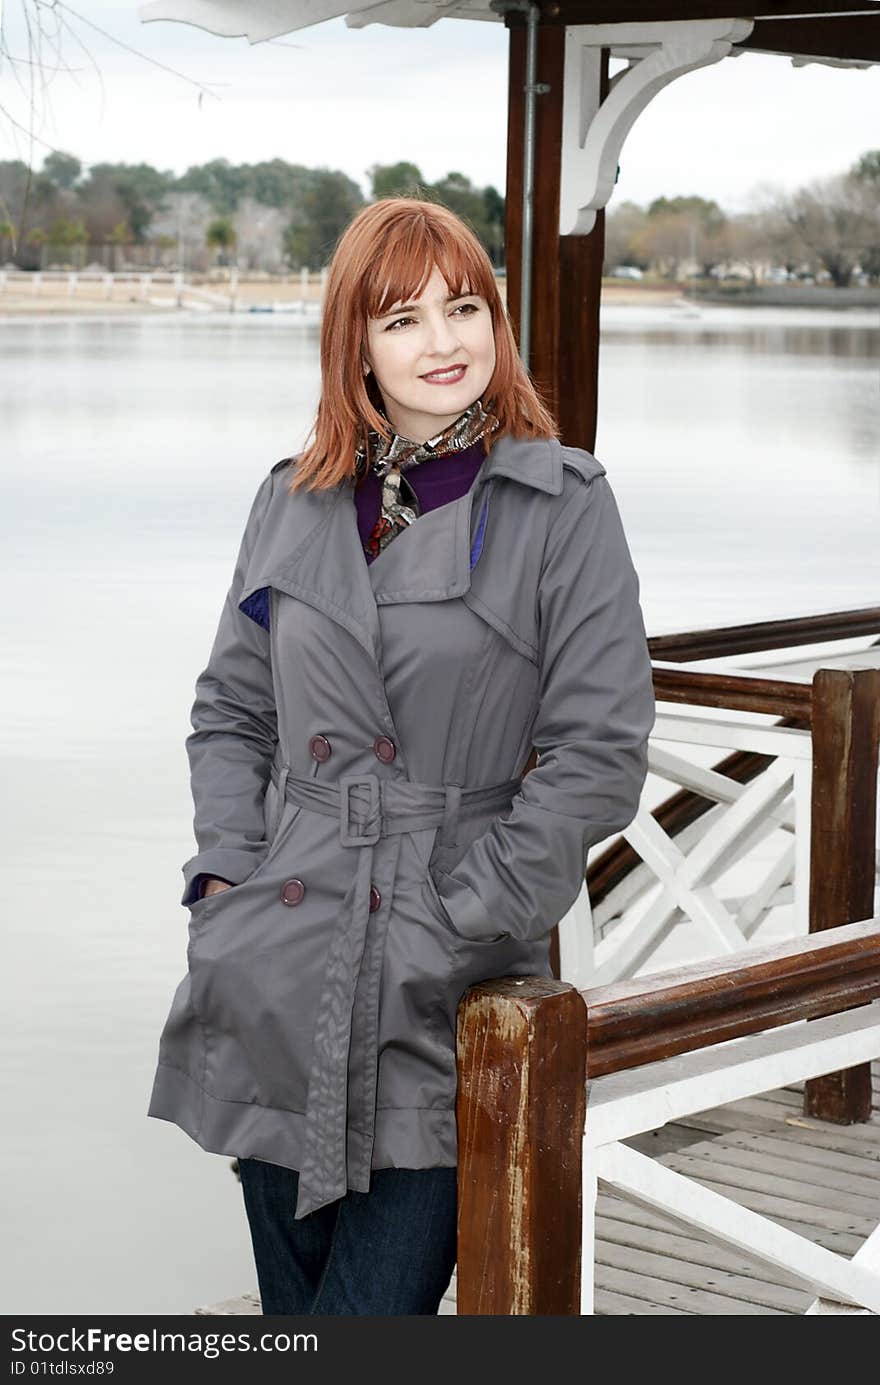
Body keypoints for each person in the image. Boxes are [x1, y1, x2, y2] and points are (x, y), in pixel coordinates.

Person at [147, 196, 656, 1316]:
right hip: (281, 949)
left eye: (464, 306)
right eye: (402, 318)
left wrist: (463, 909)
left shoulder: (559, 502)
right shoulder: (291, 498)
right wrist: (224, 880)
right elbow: (232, 711)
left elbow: (597, 750)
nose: (443, 342)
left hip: (445, 972)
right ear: (354, 345)